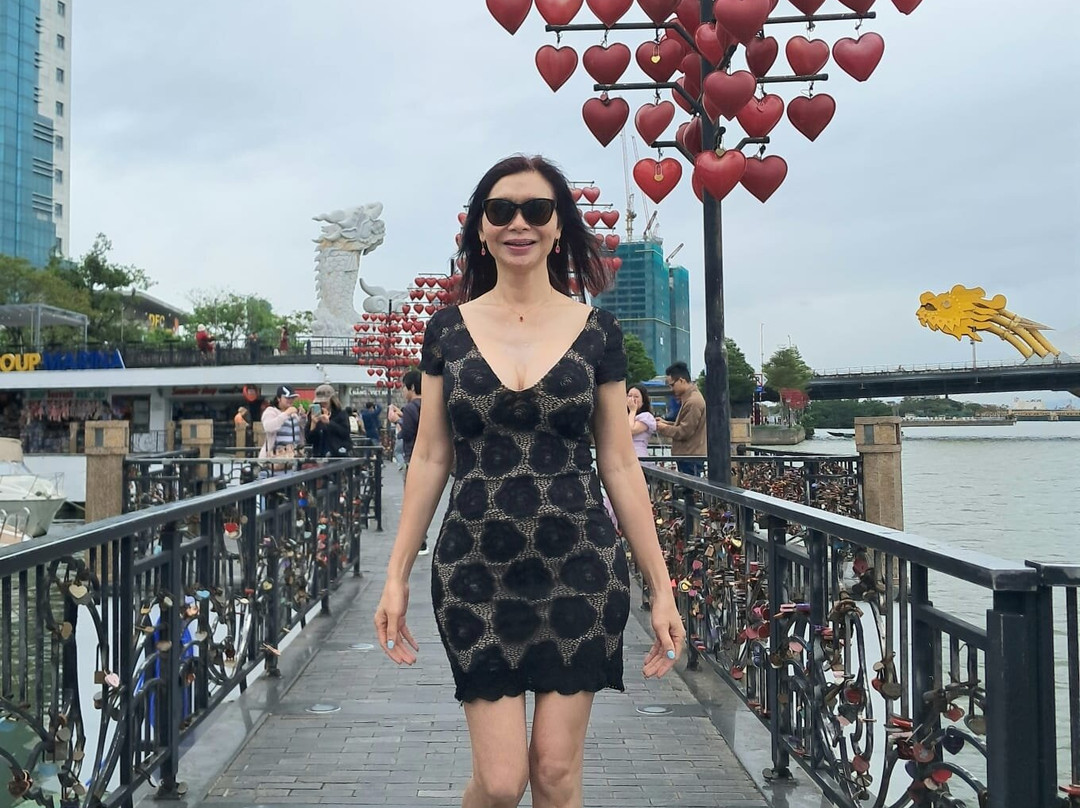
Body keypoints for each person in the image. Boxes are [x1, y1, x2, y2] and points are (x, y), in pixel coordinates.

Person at [373, 154, 683, 808]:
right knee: (499, 780)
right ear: (481, 229)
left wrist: (661, 588)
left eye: (537, 210)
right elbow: (429, 458)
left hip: (579, 566)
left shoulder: (598, 332)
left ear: (559, 226)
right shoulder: (447, 331)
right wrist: (395, 574)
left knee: (556, 774)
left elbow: (619, 463)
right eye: (501, 210)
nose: (520, 223)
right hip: (475, 569)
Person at [655, 361, 707, 478]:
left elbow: (684, 431)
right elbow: (685, 425)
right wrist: (665, 423)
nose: (671, 389)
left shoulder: (693, 401)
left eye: (672, 385)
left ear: (681, 380)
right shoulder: (690, 398)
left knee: (690, 488)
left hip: (690, 457)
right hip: (689, 455)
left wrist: (664, 428)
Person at [259, 385, 304, 471]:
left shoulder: (294, 415)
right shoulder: (271, 411)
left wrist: (303, 417)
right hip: (275, 460)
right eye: (287, 398)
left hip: (292, 459)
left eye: (292, 398)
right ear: (279, 398)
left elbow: (301, 432)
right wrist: (286, 413)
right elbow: (268, 427)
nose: (290, 400)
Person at [305, 383, 352, 458]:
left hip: (338, 454)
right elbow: (309, 440)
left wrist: (329, 423)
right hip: (320, 455)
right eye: (320, 402)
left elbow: (345, 432)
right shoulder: (313, 414)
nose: (322, 404)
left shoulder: (340, 413)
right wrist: (313, 424)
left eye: (325, 402)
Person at [626, 382, 657, 460]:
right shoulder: (624, 416)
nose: (632, 399)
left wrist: (633, 410)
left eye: (636, 397)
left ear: (643, 401)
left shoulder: (646, 417)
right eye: (629, 396)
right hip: (624, 457)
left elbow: (630, 430)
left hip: (638, 456)